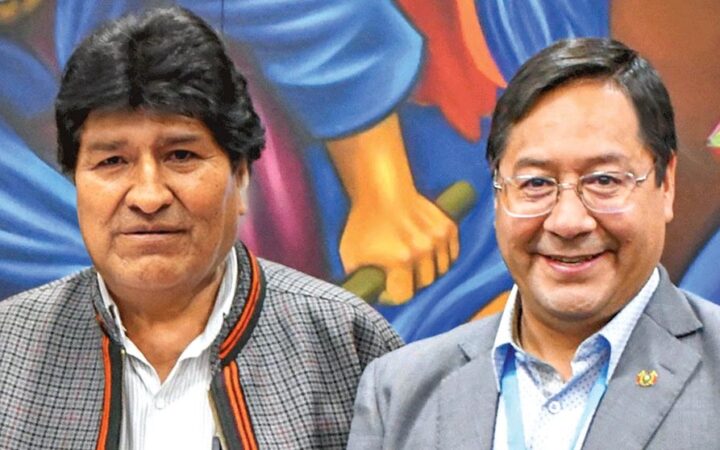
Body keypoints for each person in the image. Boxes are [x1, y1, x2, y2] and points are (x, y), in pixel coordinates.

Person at [0, 7, 402, 450]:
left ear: (241, 176)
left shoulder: (344, 340)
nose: (148, 196)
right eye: (112, 161)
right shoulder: (10, 350)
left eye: (181, 156)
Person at [347, 37, 720, 450]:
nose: (567, 222)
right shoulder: (399, 391)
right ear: (497, 193)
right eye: (536, 183)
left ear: (666, 184)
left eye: (604, 180)